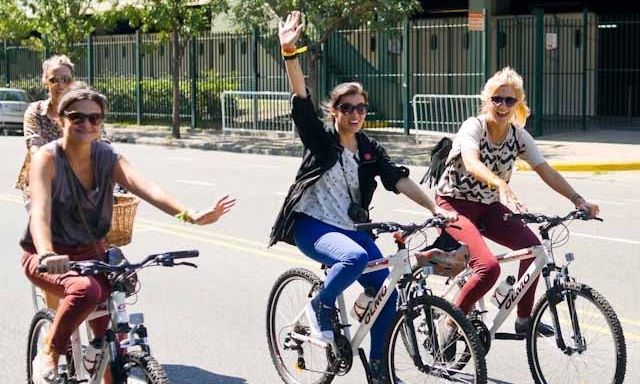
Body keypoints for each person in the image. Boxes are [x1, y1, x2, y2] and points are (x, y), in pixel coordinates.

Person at [269, 11, 456, 382]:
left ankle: (378, 370)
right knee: (353, 258)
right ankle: (320, 304)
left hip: (353, 227)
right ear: (334, 112)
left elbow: (398, 180)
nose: (355, 114)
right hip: (313, 226)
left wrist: (436, 208)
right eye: (347, 108)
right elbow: (301, 100)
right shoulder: (322, 140)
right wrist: (290, 53)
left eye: (360, 108)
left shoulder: (369, 147)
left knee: (386, 294)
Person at [22, 86, 236, 384]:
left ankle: (100, 356)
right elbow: (40, 212)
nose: (87, 124)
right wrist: (46, 253)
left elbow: (145, 187)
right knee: (87, 291)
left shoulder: (106, 156)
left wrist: (191, 215)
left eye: (95, 119)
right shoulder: (47, 158)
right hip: (46, 255)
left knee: (113, 340)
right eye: (77, 117)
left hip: (93, 252)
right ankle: (49, 350)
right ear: (61, 119)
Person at [433, 67, 599, 340]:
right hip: (454, 205)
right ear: (487, 100)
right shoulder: (473, 126)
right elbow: (472, 162)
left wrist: (578, 200)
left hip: (487, 207)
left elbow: (546, 171)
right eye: (497, 99)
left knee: (533, 249)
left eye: (509, 101)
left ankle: (524, 320)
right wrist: (499, 184)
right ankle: (450, 324)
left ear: (517, 104)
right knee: (488, 268)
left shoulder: (518, 136)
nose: (502, 106)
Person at [15, 55, 108, 208]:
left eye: (65, 79)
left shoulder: (85, 110)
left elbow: (102, 141)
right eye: (54, 80)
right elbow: (34, 146)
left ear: (73, 81)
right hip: (42, 185)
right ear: (45, 82)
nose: (60, 85)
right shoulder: (36, 111)